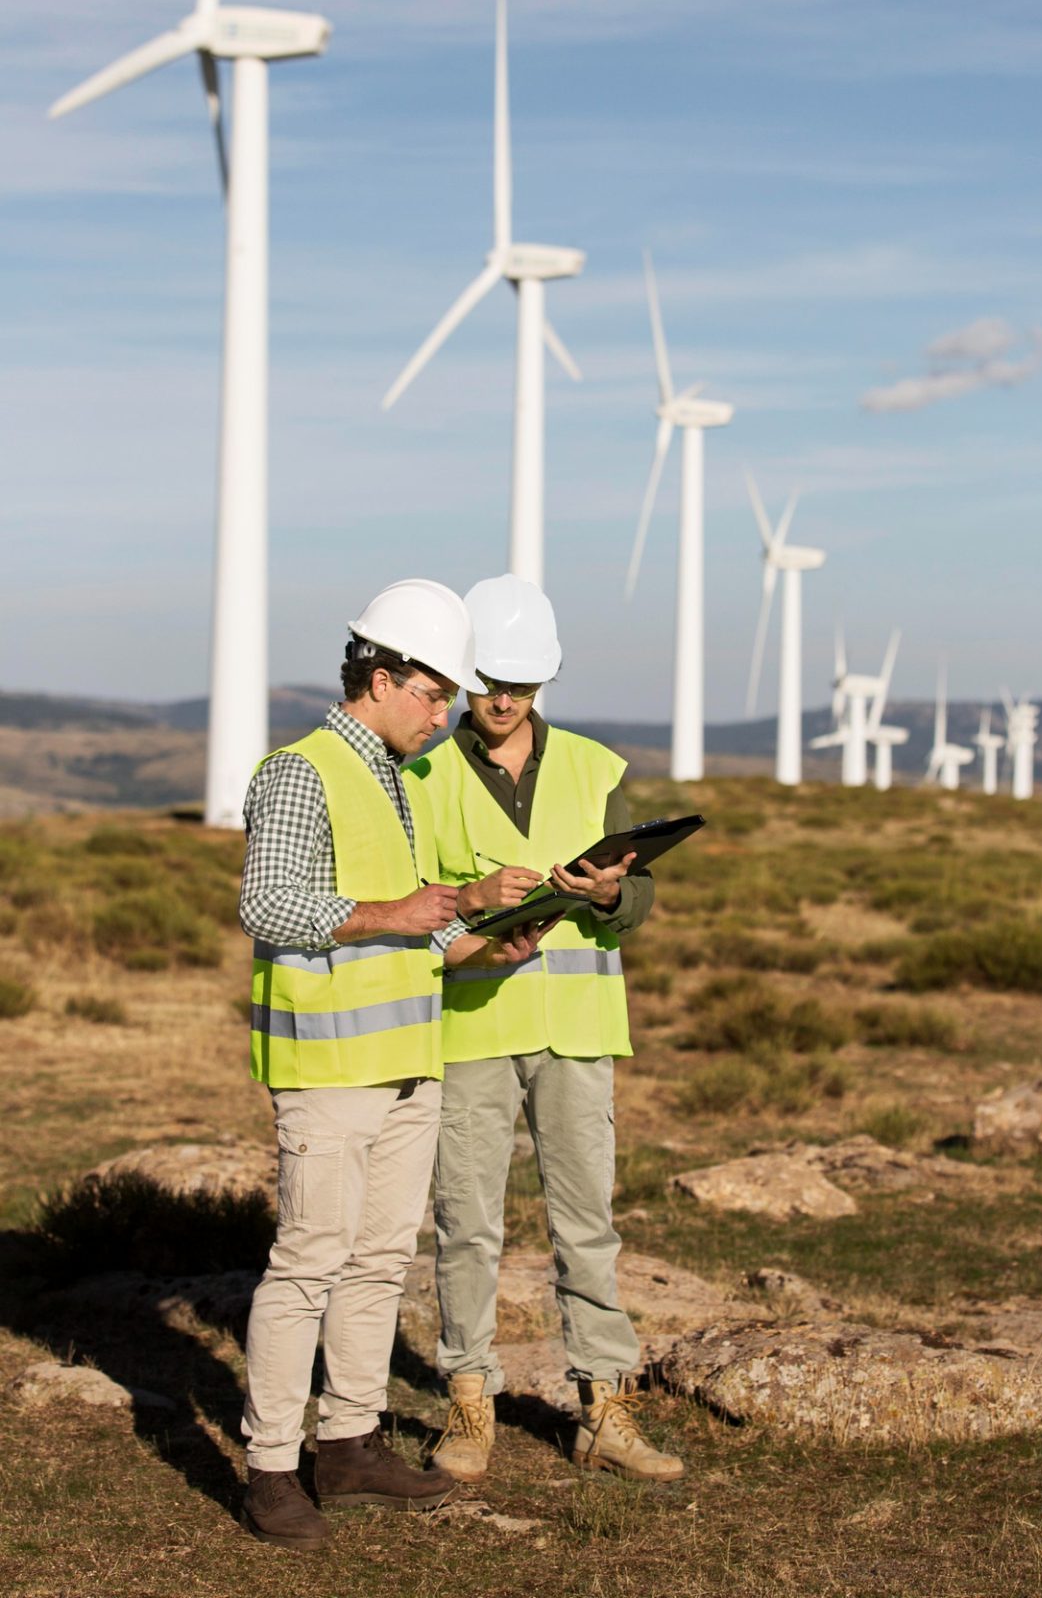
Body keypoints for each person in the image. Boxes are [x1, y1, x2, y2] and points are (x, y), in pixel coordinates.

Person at [237, 579, 544, 1551]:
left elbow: (407, 934)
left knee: (376, 1265)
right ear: (379, 678)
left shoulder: (396, 782)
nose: (445, 711)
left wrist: (481, 928)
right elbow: (271, 906)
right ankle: (271, 1465)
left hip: (408, 1066)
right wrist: (401, 912)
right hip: (329, 1069)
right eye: (432, 692)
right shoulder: (300, 770)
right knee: (308, 1266)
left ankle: (351, 1439)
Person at [408, 574, 684, 1484]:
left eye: (520, 686)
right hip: (473, 1025)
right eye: (488, 682)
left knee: (586, 1223)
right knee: (466, 1224)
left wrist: (611, 892)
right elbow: (414, 907)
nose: (502, 701)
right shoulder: (422, 776)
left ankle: (605, 1406)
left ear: (544, 683)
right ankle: (468, 1402)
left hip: (578, 1023)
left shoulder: (597, 768)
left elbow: (635, 897)